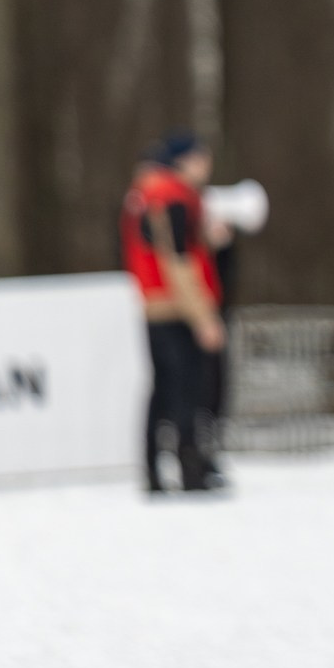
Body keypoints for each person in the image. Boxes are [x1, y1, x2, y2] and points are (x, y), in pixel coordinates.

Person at [122, 132, 229, 493]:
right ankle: (190, 469)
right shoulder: (173, 196)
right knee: (187, 390)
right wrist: (203, 317)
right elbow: (178, 260)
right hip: (177, 306)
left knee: (162, 390)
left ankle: (153, 469)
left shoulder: (144, 194)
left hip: (153, 303)